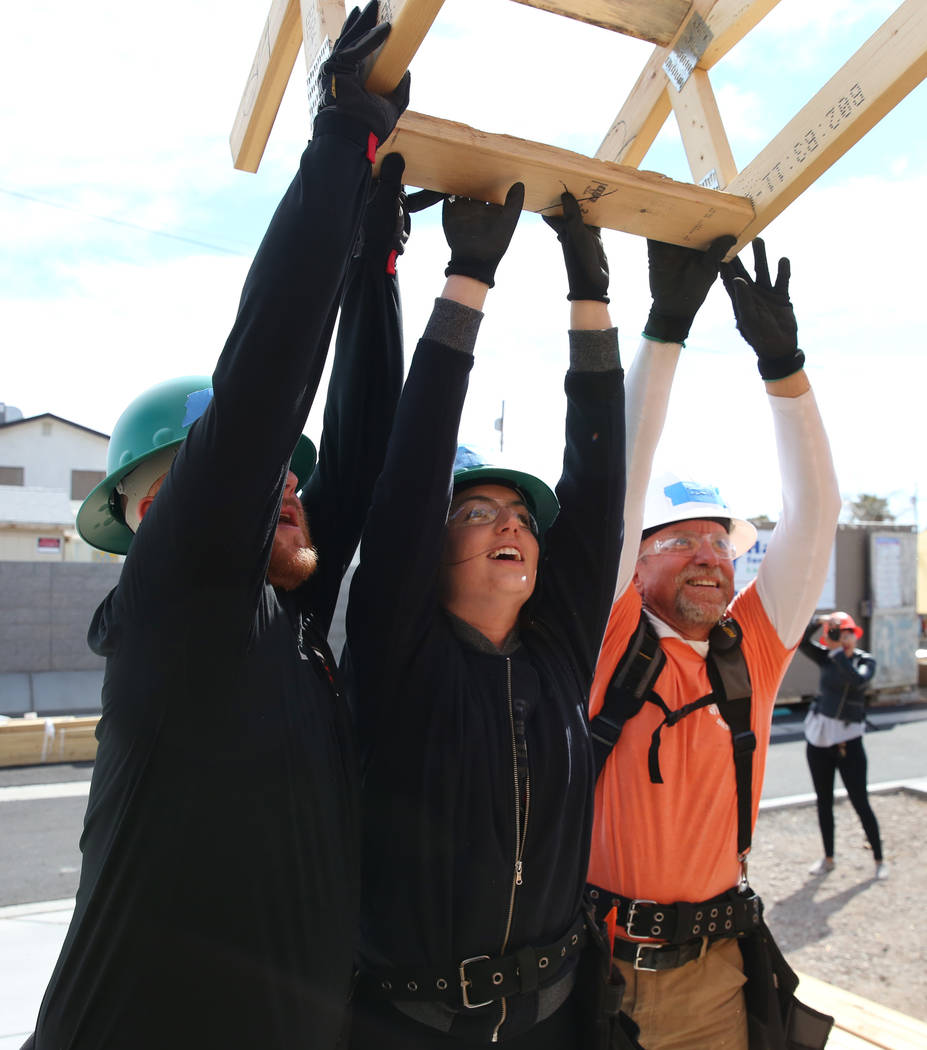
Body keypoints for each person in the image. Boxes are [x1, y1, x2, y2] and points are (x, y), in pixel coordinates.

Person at [24, 7, 409, 1048]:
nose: (282, 483)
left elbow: (362, 449)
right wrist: (342, 146)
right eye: (236, 481)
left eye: (291, 476)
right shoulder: (178, 624)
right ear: (151, 519)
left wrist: (376, 261)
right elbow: (258, 399)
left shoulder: (290, 620)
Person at [342, 190, 628, 1047]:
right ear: (428, 548)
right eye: (475, 512)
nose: (510, 523)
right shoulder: (399, 656)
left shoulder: (558, 659)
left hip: (555, 1018)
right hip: (410, 1026)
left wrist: (591, 297)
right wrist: (468, 276)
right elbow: (409, 470)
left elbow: (597, 486)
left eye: (519, 515)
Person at [585, 237, 842, 1050]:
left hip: (712, 981)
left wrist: (783, 367)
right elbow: (616, 487)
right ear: (638, 558)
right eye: (682, 539)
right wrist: (664, 330)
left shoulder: (751, 651)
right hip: (589, 971)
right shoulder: (605, 636)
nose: (709, 554)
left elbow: (815, 512)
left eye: (720, 541)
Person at [799, 611, 886, 879]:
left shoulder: (864, 661)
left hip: (849, 741)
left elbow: (857, 680)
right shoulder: (827, 657)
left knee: (860, 800)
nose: (844, 639)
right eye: (839, 633)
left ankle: (879, 858)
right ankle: (828, 858)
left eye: (848, 634)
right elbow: (801, 642)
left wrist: (838, 653)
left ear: (855, 635)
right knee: (823, 801)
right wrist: (818, 622)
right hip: (819, 739)